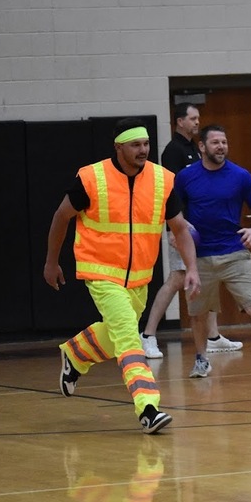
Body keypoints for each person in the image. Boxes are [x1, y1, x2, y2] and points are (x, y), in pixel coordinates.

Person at [43, 118, 200, 434]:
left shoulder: (161, 181)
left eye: (145, 144)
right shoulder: (92, 178)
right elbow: (62, 216)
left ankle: (76, 353)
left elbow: (180, 228)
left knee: (116, 334)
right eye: (135, 145)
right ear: (118, 147)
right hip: (100, 273)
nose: (143, 150)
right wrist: (51, 262)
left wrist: (192, 269)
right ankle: (148, 408)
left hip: (139, 279)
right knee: (129, 337)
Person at [174, 124, 251, 379]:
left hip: (234, 252)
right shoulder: (186, 177)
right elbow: (173, 212)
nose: (221, 147)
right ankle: (201, 360)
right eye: (216, 142)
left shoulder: (240, 175)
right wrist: (176, 232)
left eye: (224, 142)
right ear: (202, 146)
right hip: (200, 257)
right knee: (198, 313)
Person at [140, 103, 242, 359]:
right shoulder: (172, 152)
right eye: (193, 118)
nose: (197, 122)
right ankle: (148, 335)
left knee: (206, 275)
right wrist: (178, 228)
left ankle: (213, 337)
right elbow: (172, 194)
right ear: (179, 121)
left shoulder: (196, 149)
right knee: (177, 277)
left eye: (199, 119)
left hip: (200, 227)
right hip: (181, 227)